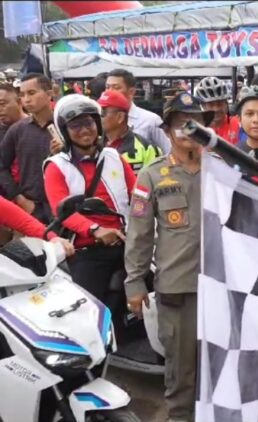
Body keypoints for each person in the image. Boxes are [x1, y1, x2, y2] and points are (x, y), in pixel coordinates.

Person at [124, 92, 212, 422]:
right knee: (181, 371)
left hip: (222, 286)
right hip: (178, 289)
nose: (188, 130)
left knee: (221, 366)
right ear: (166, 130)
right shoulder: (152, 175)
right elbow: (139, 234)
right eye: (180, 124)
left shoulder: (222, 171)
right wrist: (135, 283)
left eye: (196, 123)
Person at [44, 94, 135, 302]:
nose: (84, 130)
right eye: (75, 125)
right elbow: (61, 210)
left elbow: (138, 196)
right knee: (89, 306)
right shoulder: (56, 166)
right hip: (87, 249)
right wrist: (95, 229)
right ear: (64, 131)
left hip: (127, 241)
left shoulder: (114, 157)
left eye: (88, 123)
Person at [0, 73, 56, 223]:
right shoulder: (18, 130)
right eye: (23, 95)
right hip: (32, 207)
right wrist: (18, 198)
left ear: (49, 94)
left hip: (63, 206)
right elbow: (2, 165)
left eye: (32, 93)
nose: (26, 99)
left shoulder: (65, 125)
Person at [106, 68, 172, 153]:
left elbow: (169, 151)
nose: (110, 92)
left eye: (116, 87)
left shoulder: (151, 120)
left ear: (131, 91)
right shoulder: (103, 118)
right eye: (107, 87)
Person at [97, 89, 162, 173]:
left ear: (120, 117)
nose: (98, 117)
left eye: (102, 113)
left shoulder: (147, 149)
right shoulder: (92, 146)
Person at [193, 76, 241, 145]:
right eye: (211, 104)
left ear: (226, 103)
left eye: (220, 103)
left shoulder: (239, 124)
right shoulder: (196, 130)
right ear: (203, 106)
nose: (216, 109)